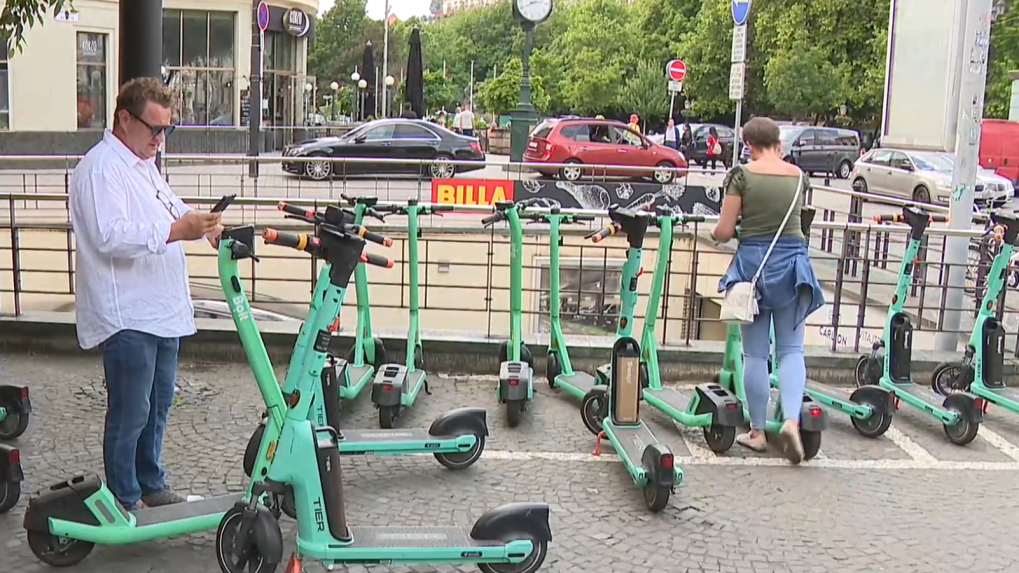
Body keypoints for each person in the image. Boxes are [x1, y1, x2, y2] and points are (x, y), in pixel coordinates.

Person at [69, 77, 224, 510]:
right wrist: (179, 230)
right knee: (131, 411)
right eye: (154, 128)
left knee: (156, 407)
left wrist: (205, 226)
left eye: (167, 130)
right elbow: (110, 236)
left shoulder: (143, 165)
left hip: (159, 311)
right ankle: (124, 496)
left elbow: (175, 210)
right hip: (127, 314)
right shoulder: (101, 168)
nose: (160, 139)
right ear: (124, 118)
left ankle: (150, 483)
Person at [711, 116, 824, 465]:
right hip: (793, 267)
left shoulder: (741, 176)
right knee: (791, 351)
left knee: (756, 355)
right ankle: (790, 419)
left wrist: (720, 231)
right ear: (778, 142)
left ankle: (758, 432)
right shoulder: (798, 176)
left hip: (753, 269)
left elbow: (725, 230)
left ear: (748, 145)